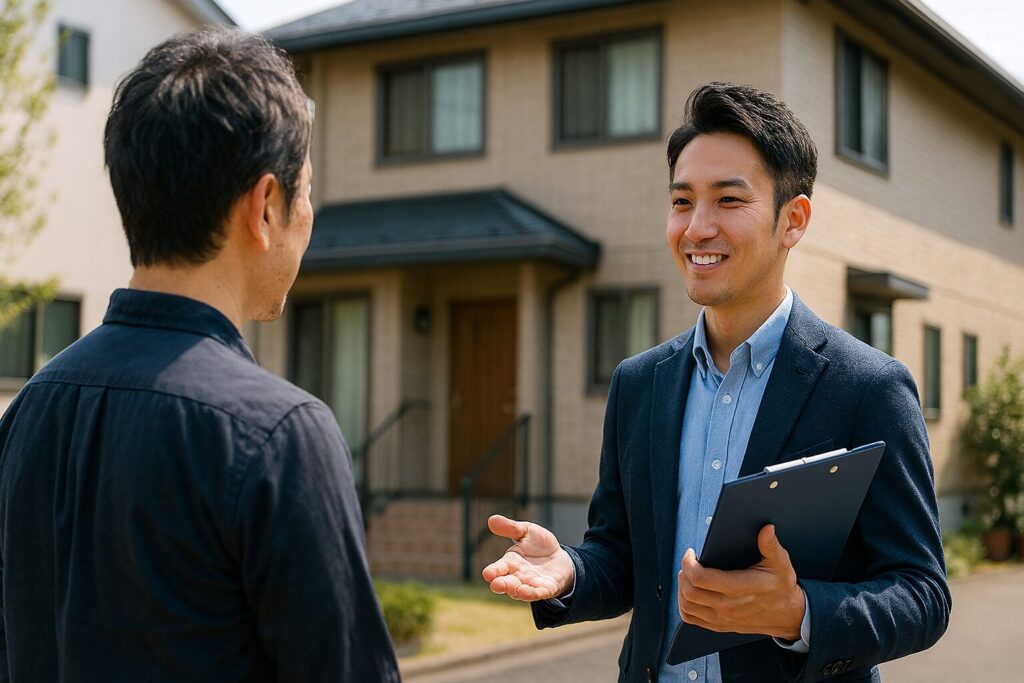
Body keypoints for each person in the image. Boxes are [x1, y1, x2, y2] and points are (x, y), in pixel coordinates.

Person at [483, 82, 950, 682]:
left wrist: (799, 612)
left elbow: (922, 593)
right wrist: (570, 570)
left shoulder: (867, 387)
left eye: (729, 200)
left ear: (793, 220)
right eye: (682, 202)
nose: (697, 228)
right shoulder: (639, 385)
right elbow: (626, 558)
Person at [0, 27, 399, 682]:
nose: (309, 217)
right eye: (305, 194)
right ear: (265, 205)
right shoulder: (280, 434)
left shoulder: (28, 412)